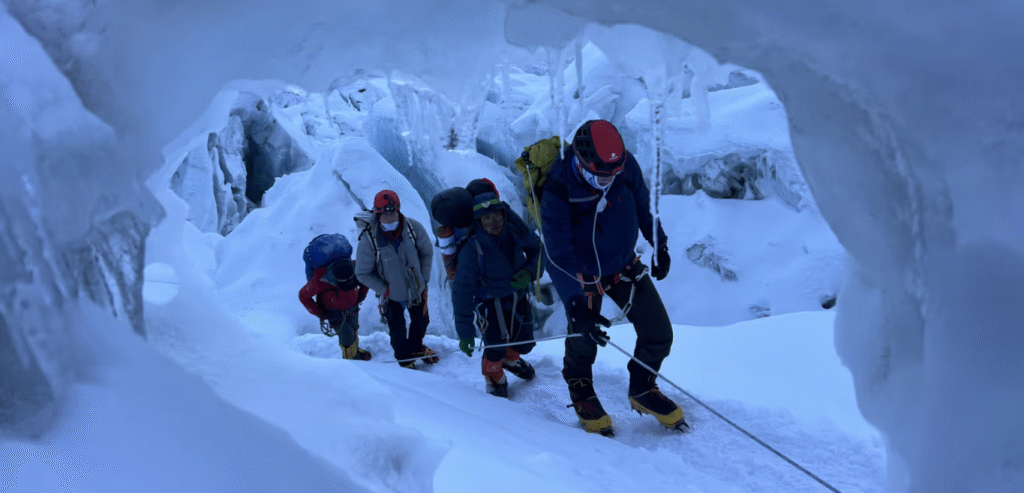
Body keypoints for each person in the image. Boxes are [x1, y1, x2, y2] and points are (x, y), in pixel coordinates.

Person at [540, 119, 683, 436]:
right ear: (581, 162)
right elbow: (557, 254)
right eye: (603, 174)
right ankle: (581, 389)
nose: (609, 179)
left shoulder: (623, 165)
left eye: (614, 173)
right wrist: (576, 305)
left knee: (658, 332)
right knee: (583, 337)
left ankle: (642, 389)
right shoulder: (558, 188)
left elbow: (643, 204)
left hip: (623, 265)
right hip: (583, 274)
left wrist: (659, 244)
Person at [452, 192, 546, 397]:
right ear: (479, 220)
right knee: (494, 346)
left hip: (518, 296)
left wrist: (529, 273)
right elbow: (462, 291)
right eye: (486, 217)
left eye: (497, 215)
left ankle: (509, 357)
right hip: (489, 304)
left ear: (504, 215)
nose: (493, 222)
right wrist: (465, 332)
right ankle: (493, 371)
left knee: (525, 342)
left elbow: (538, 251)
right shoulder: (472, 249)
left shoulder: (515, 231)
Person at [354, 189, 438, 369]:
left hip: (416, 287)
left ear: (398, 209)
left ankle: (415, 348)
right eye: (383, 211)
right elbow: (362, 273)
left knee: (421, 320)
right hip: (390, 293)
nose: (388, 215)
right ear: (377, 213)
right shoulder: (369, 240)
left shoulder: (413, 228)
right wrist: (385, 290)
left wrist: (423, 278)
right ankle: (405, 359)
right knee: (397, 329)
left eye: (392, 210)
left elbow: (426, 252)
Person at [299, 244, 371, 360]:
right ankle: (351, 360)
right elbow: (303, 296)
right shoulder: (320, 280)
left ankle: (354, 351)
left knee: (354, 327)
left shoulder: (356, 268)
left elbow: (366, 277)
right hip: (333, 311)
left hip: (352, 305)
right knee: (346, 335)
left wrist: (362, 294)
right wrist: (319, 313)